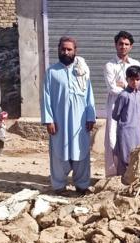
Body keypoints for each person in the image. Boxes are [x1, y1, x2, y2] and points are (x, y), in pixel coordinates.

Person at [41, 36, 96, 195]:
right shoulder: (52, 72)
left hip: (80, 120)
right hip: (59, 120)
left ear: (75, 51)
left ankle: (82, 184)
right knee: (59, 152)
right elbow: (46, 97)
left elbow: (89, 95)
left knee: (82, 150)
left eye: (69, 49)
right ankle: (59, 186)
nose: (66, 52)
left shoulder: (82, 71)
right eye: (63, 49)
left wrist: (91, 116)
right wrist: (49, 120)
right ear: (58, 50)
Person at [103, 31, 140, 177]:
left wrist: (125, 85)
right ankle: (113, 175)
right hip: (116, 106)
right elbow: (112, 88)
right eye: (120, 44)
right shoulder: (110, 65)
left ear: (131, 47)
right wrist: (126, 88)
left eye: (126, 44)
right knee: (113, 140)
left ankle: (133, 173)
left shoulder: (136, 64)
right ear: (116, 45)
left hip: (133, 109)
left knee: (134, 140)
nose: (123, 47)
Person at [112, 65, 140, 182]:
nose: (134, 82)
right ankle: (122, 181)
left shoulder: (139, 95)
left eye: (137, 79)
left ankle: (133, 180)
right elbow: (115, 115)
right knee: (125, 157)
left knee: (135, 156)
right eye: (131, 79)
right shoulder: (123, 95)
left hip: (137, 131)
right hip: (125, 131)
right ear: (127, 79)